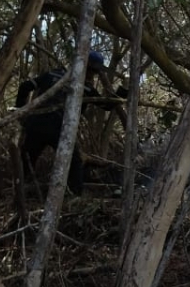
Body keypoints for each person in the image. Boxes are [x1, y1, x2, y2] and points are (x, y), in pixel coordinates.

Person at [15, 50, 116, 195]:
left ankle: (19, 194)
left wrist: (20, 112)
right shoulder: (86, 88)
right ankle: (75, 196)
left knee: (26, 160)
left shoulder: (53, 75)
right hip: (61, 129)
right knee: (74, 163)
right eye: (93, 71)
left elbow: (25, 87)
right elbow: (107, 106)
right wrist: (122, 93)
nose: (93, 75)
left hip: (36, 124)